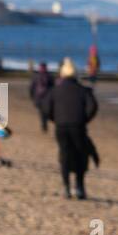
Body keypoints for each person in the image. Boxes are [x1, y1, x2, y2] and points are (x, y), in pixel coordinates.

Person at [40, 57, 98, 199]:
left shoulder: (55, 90)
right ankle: (79, 187)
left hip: (62, 127)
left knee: (65, 155)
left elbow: (45, 108)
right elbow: (93, 107)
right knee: (80, 156)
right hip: (78, 126)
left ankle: (66, 187)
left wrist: (55, 119)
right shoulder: (83, 90)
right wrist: (84, 119)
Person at [29, 62, 53, 131]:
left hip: (45, 98)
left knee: (44, 112)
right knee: (42, 112)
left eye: (43, 67)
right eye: (41, 67)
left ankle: (44, 124)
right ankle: (44, 125)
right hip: (40, 99)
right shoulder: (37, 77)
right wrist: (32, 97)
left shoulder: (49, 77)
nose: (42, 69)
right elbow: (32, 88)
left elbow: (53, 88)